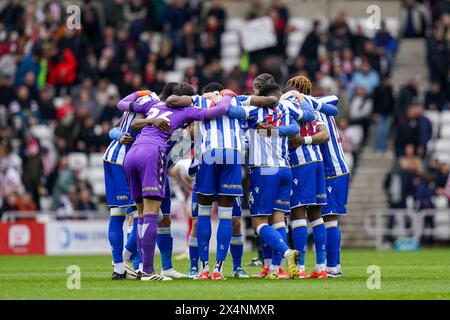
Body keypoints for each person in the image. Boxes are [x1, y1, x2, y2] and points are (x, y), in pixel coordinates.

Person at [120, 83, 234, 281]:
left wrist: (146, 108)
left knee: (143, 215)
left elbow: (124, 106)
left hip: (132, 155)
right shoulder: (188, 110)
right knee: (151, 215)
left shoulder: (153, 104)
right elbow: (221, 110)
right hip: (151, 154)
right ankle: (146, 270)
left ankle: (140, 266)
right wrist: (226, 95)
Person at [192, 82, 278, 280]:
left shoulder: (199, 100)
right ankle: (219, 270)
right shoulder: (238, 100)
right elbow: (270, 101)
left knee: (203, 214)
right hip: (233, 155)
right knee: (226, 215)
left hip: (209, 155)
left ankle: (204, 269)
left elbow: (173, 101)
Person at [227, 83, 303, 279]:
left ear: (262, 96)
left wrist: (238, 98)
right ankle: (275, 270)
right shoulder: (287, 108)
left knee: (259, 222)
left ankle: (287, 252)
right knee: (278, 221)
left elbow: (230, 109)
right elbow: (298, 124)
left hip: (265, 169)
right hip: (285, 170)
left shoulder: (255, 110)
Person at [284, 75, 331, 279]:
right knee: (316, 215)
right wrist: (309, 139)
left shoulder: (287, 103)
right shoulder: (313, 106)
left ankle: (300, 267)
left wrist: (301, 140)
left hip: (300, 162)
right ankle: (321, 266)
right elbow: (325, 135)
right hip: (317, 162)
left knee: (298, 213)